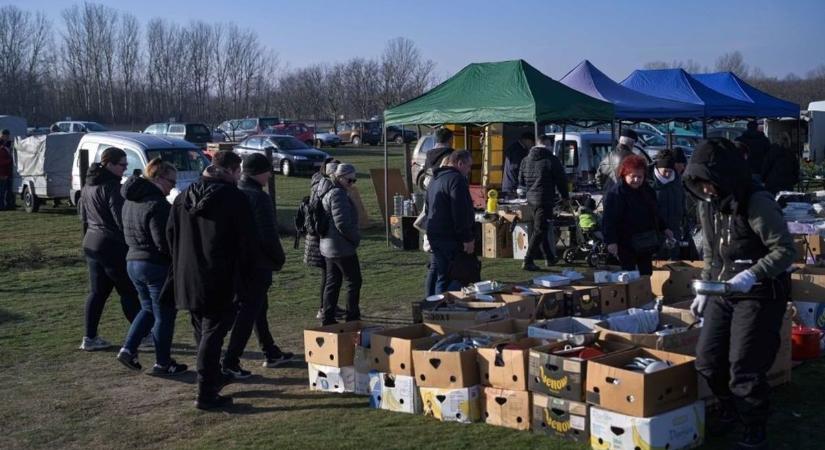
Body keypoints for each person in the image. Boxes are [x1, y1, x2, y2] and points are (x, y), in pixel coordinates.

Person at [683, 138, 795, 450]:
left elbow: (785, 251)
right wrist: (704, 288)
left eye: (708, 183)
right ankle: (729, 408)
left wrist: (753, 274)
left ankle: (754, 425)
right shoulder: (707, 206)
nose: (705, 190)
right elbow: (711, 254)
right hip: (723, 289)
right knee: (707, 360)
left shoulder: (756, 202)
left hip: (760, 290)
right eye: (699, 184)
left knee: (743, 366)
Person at [166, 151, 255, 410]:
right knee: (212, 336)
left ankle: (212, 380)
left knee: (203, 334)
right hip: (219, 277)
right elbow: (246, 242)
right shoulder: (234, 199)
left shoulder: (182, 198)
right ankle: (206, 391)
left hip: (188, 275)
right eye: (237, 172)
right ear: (229, 171)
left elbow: (169, 237)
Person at [222, 153, 293, 377]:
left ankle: (270, 350)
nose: (269, 175)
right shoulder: (258, 197)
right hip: (256, 264)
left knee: (258, 309)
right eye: (267, 171)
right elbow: (267, 234)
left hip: (237, 262)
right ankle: (230, 360)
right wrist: (278, 259)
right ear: (258, 173)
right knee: (248, 312)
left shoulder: (234, 191)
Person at [115, 159, 187, 375]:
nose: (173, 187)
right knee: (164, 315)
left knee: (147, 309)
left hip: (133, 261)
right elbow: (163, 242)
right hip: (155, 266)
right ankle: (162, 362)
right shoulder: (158, 205)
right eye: (171, 181)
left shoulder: (130, 200)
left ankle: (128, 349)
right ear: (157, 177)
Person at [78, 147, 140, 351]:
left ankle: (90, 337)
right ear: (110, 164)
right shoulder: (111, 186)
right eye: (122, 165)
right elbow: (120, 218)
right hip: (112, 245)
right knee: (128, 291)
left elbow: (83, 216)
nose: (125, 169)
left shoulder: (88, 186)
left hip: (92, 242)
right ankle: (144, 333)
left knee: (98, 292)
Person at [602, 154, 673, 275]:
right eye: (633, 176)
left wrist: (664, 228)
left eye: (639, 177)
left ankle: (644, 292)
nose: (636, 180)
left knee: (646, 273)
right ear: (624, 174)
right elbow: (609, 219)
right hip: (625, 242)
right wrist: (611, 241)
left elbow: (655, 212)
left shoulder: (647, 190)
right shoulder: (616, 193)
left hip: (646, 241)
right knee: (628, 274)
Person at [424, 150, 475, 293]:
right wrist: (467, 238)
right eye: (469, 166)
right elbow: (460, 212)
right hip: (449, 236)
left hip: (434, 233)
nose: (469, 170)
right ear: (460, 163)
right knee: (451, 276)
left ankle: (431, 302)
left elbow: (428, 208)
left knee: (439, 273)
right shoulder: (457, 180)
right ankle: (441, 306)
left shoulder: (435, 179)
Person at [318, 163, 362, 326]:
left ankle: (328, 317)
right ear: (340, 177)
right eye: (349, 180)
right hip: (341, 246)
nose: (352, 184)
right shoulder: (338, 194)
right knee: (354, 281)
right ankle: (352, 316)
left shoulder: (329, 191)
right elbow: (342, 223)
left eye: (354, 181)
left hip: (329, 246)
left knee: (333, 281)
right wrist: (355, 238)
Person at [517, 138, 569, 270]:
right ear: (548, 144)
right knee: (540, 229)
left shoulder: (525, 160)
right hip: (544, 198)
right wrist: (565, 196)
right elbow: (561, 180)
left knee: (542, 227)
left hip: (531, 198)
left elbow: (521, 180)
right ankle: (528, 259)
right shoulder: (551, 159)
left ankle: (549, 257)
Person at [417, 128, 455, 296]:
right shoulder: (450, 154)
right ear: (450, 140)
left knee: (434, 261)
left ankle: (430, 296)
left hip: (430, 197)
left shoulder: (429, 154)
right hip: (441, 202)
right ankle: (435, 298)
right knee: (438, 267)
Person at [306, 158, 345, 320]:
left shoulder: (318, 183)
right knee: (329, 275)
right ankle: (325, 308)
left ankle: (329, 306)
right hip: (321, 235)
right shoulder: (326, 185)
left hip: (317, 233)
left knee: (329, 274)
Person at [650, 149, 684, 261]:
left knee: (674, 263)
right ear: (658, 169)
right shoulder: (649, 184)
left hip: (674, 231)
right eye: (665, 171)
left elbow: (682, 204)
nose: (668, 174)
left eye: (670, 171)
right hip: (655, 232)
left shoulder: (677, 181)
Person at [0, 129, 12, 211]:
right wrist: (10, 160)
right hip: (2, 171)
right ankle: (1, 206)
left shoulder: (7, 144)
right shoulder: (2, 147)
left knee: (7, 190)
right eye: (6, 135)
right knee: (2, 191)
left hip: (6, 171)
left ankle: (7, 205)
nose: (7, 137)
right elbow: (1, 161)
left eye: (8, 135)